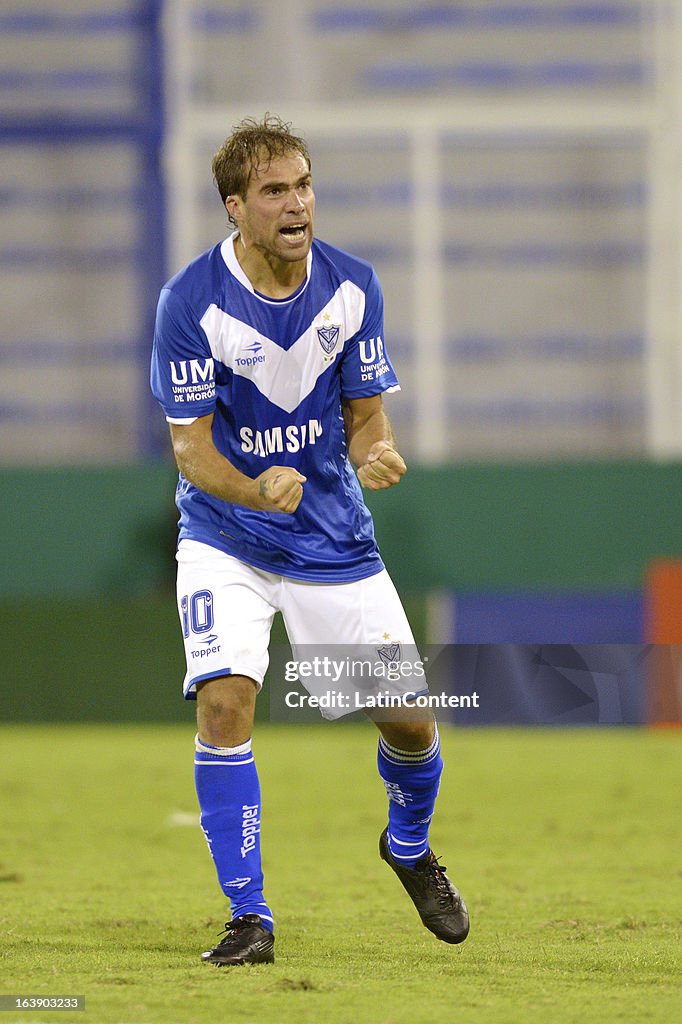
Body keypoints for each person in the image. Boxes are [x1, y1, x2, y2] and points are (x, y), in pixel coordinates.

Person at [150, 114, 469, 966]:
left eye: (304, 185)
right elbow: (189, 446)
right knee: (225, 702)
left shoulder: (353, 285)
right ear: (235, 208)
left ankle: (407, 847)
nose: (298, 204)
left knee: (409, 722)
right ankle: (249, 917)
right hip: (226, 535)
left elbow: (366, 418)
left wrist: (379, 452)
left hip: (331, 538)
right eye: (275, 191)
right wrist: (253, 488)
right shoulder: (190, 303)